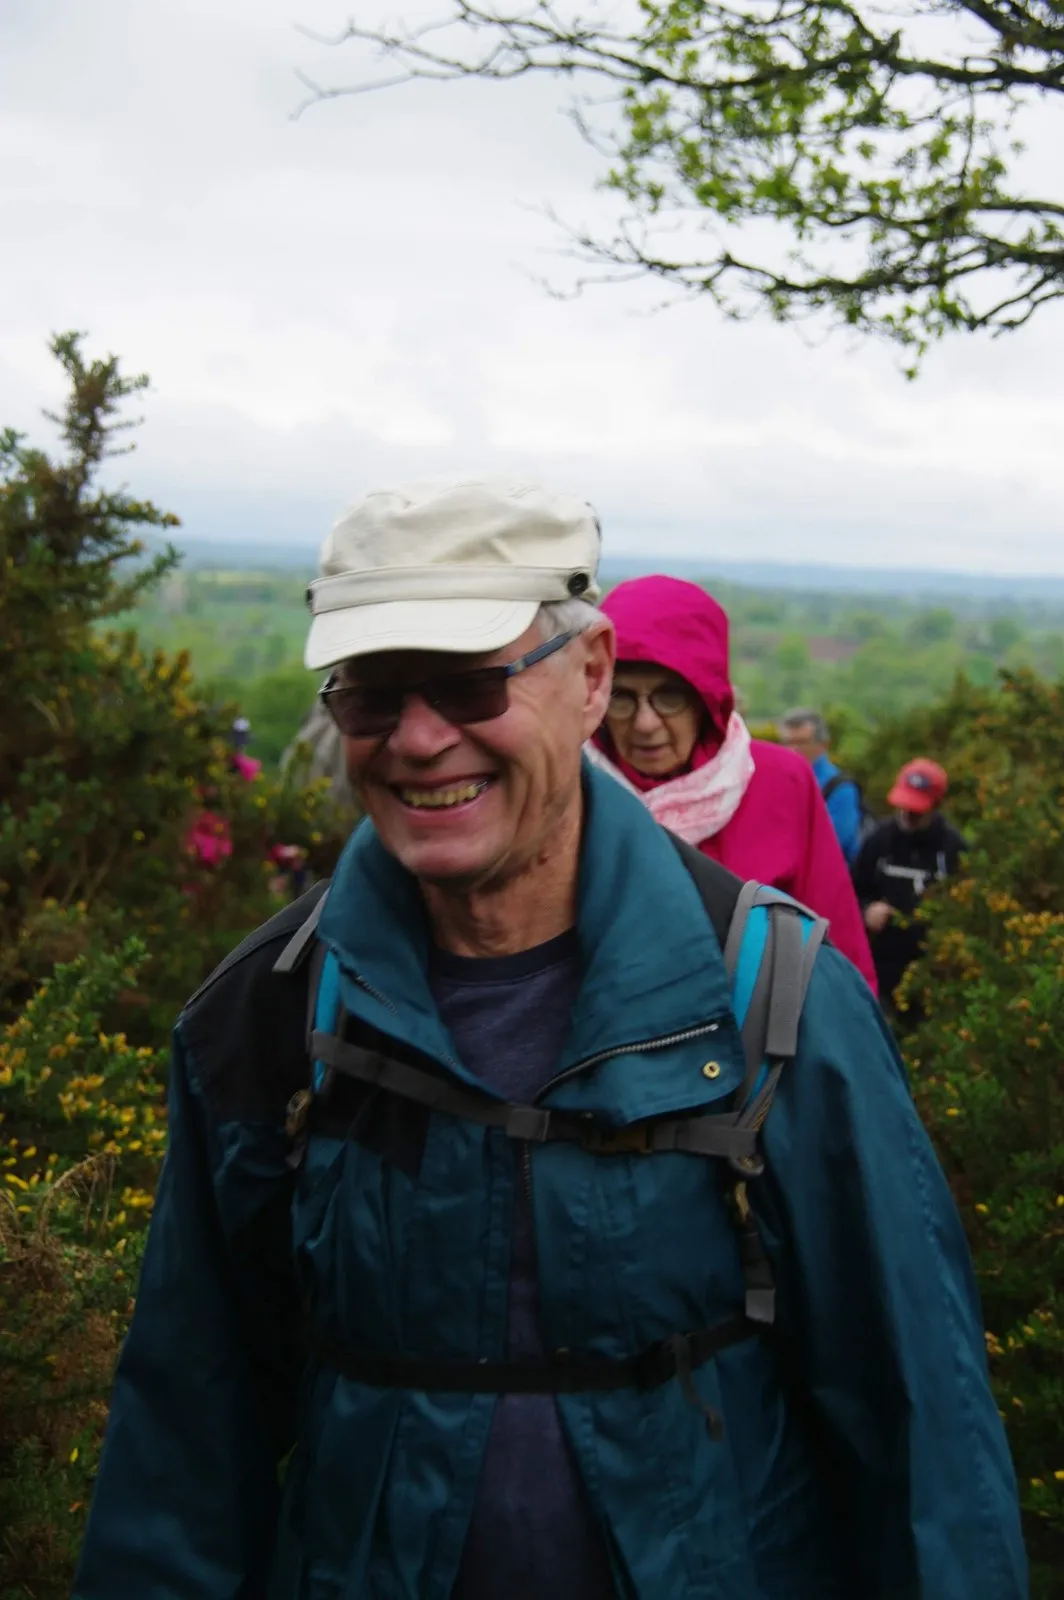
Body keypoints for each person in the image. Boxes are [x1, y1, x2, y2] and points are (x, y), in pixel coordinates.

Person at [75, 479, 1025, 1600]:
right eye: (371, 694)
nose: (418, 739)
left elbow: (918, 1437)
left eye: (468, 683)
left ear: (590, 678)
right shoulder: (268, 1015)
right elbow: (185, 1444)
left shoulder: (774, 998)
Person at [589, 577, 877, 990]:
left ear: (707, 699)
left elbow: (837, 948)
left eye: (670, 696)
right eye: (622, 696)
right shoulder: (571, 784)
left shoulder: (780, 780)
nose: (645, 723)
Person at [853, 757, 966, 1012]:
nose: (908, 815)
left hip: (932, 969)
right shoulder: (878, 839)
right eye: (904, 806)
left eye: (917, 810)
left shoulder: (952, 848)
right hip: (881, 966)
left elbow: (967, 910)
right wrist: (866, 909)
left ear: (935, 805)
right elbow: (851, 891)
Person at [777, 707, 864, 863]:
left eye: (802, 743)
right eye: (788, 742)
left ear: (823, 745)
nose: (793, 749)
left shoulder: (841, 788)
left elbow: (834, 843)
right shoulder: (779, 781)